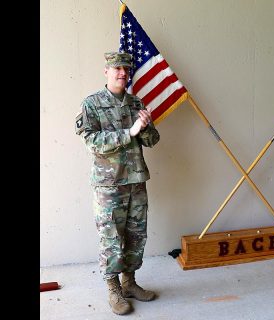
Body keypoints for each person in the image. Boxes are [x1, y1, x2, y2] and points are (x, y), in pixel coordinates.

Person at [75, 52, 160, 315]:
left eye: (125, 69)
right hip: (109, 185)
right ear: (106, 72)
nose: (122, 73)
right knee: (111, 237)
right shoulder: (92, 103)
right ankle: (113, 290)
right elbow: (91, 141)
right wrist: (129, 132)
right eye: (116, 69)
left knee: (136, 235)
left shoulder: (136, 103)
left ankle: (130, 283)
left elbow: (153, 140)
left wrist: (143, 127)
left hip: (136, 180)